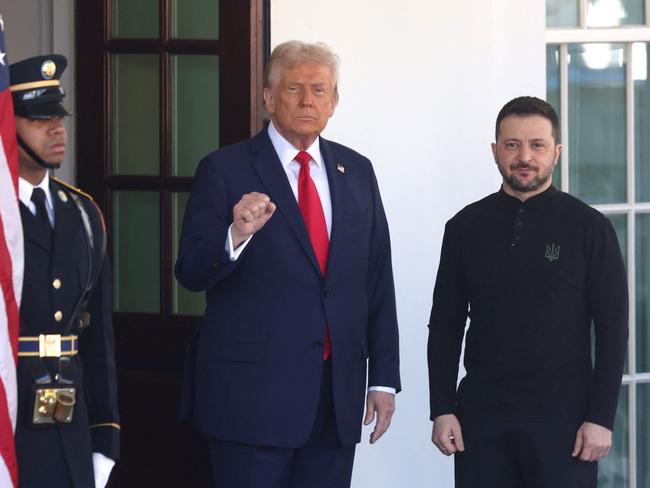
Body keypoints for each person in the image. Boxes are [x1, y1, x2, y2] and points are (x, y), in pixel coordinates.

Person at [175, 40, 400, 488]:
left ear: (334, 102)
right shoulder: (224, 169)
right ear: (268, 97)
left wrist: (384, 380)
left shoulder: (357, 171)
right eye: (294, 88)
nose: (307, 100)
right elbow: (191, 271)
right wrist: (235, 234)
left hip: (334, 396)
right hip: (251, 401)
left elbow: (376, 278)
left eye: (319, 90)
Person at [427, 96, 628, 487]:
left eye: (537, 145)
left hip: (566, 426)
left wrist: (601, 418)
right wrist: (442, 407)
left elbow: (613, 329)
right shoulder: (464, 227)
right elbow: (445, 326)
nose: (524, 156)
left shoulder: (590, 228)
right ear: (495, 151)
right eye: (512, 144)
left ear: (556, 152)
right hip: (481, 422)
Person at [10, 55, 119, 487]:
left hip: (68, 422)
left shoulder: (83, 212)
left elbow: (98, 336)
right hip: (9, 420)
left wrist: (105, 437)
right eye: (40, 119)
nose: (57, 129)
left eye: (59, 116)